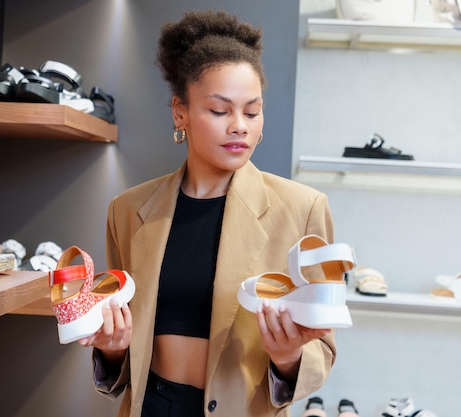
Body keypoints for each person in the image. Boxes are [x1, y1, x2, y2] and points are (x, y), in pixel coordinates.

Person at [80, 9, 337, 417]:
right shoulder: (128, 211)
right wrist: (111, 350)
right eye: (220, 111)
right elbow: (127, 347)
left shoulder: (303, 208)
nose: (240, 126)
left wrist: (288, 357)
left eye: (252, 112)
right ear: (180, 112)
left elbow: (322, 348)